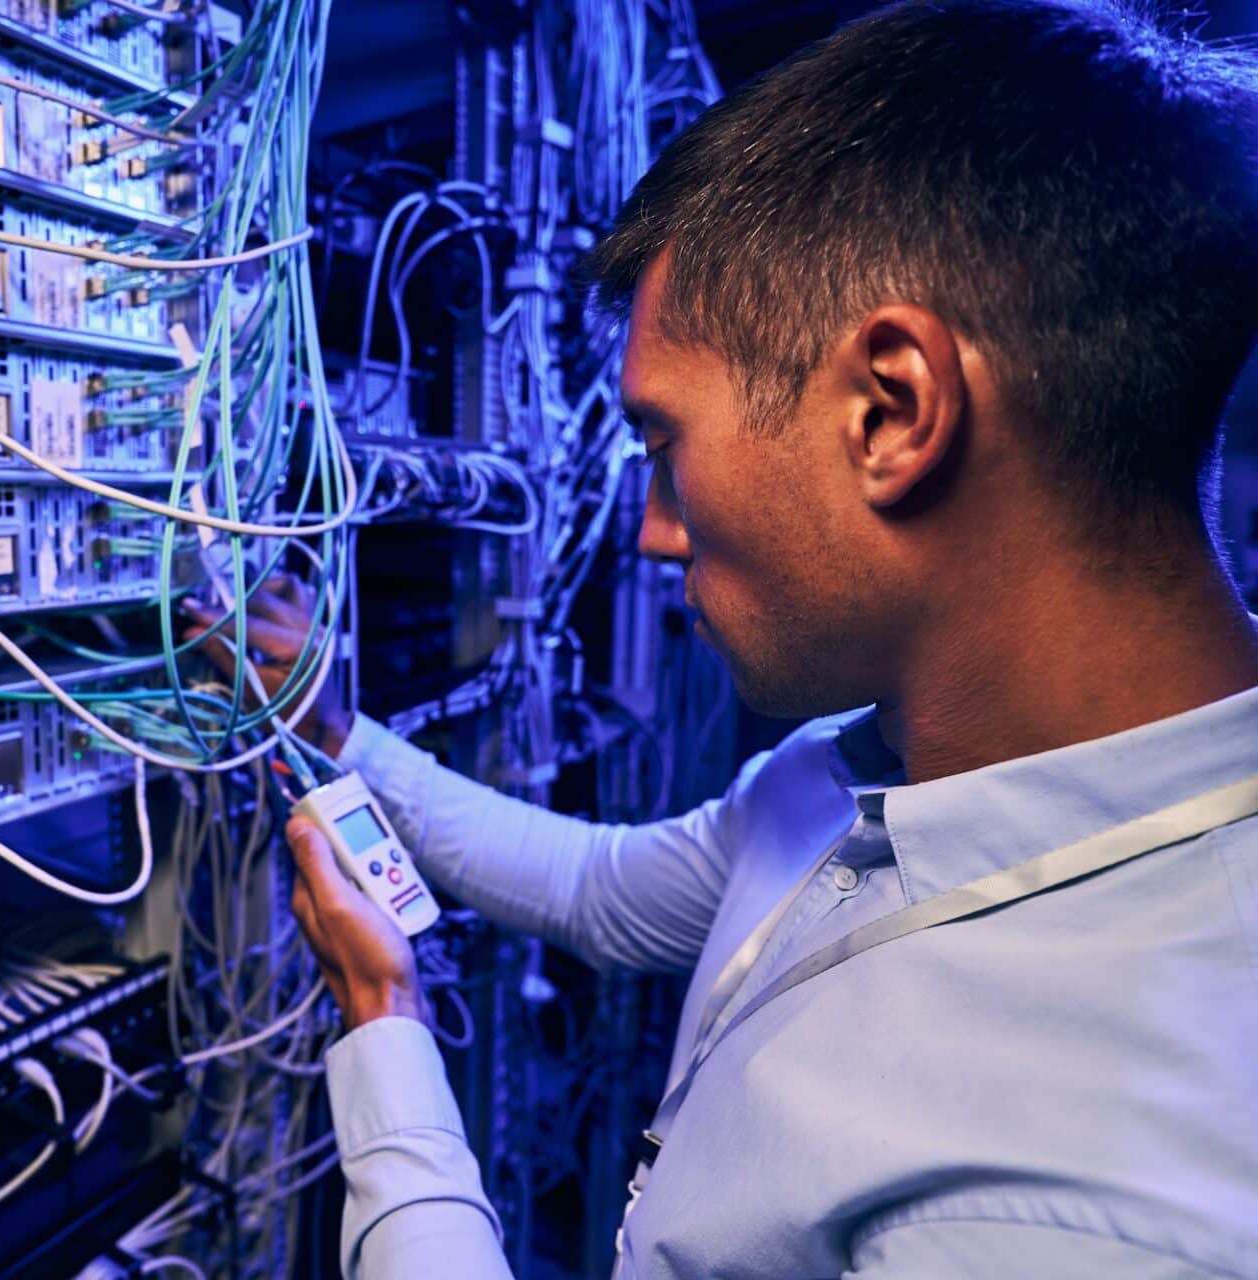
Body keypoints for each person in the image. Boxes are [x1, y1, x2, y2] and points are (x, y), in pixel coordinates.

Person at [183, 1, 1258, 1276]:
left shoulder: (1087, 1202)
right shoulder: (859, 766)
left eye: (662, 448)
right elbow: (593, 886)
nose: (649, 533)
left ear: (891, 412)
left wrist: (382, 1030)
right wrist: (336, 727)